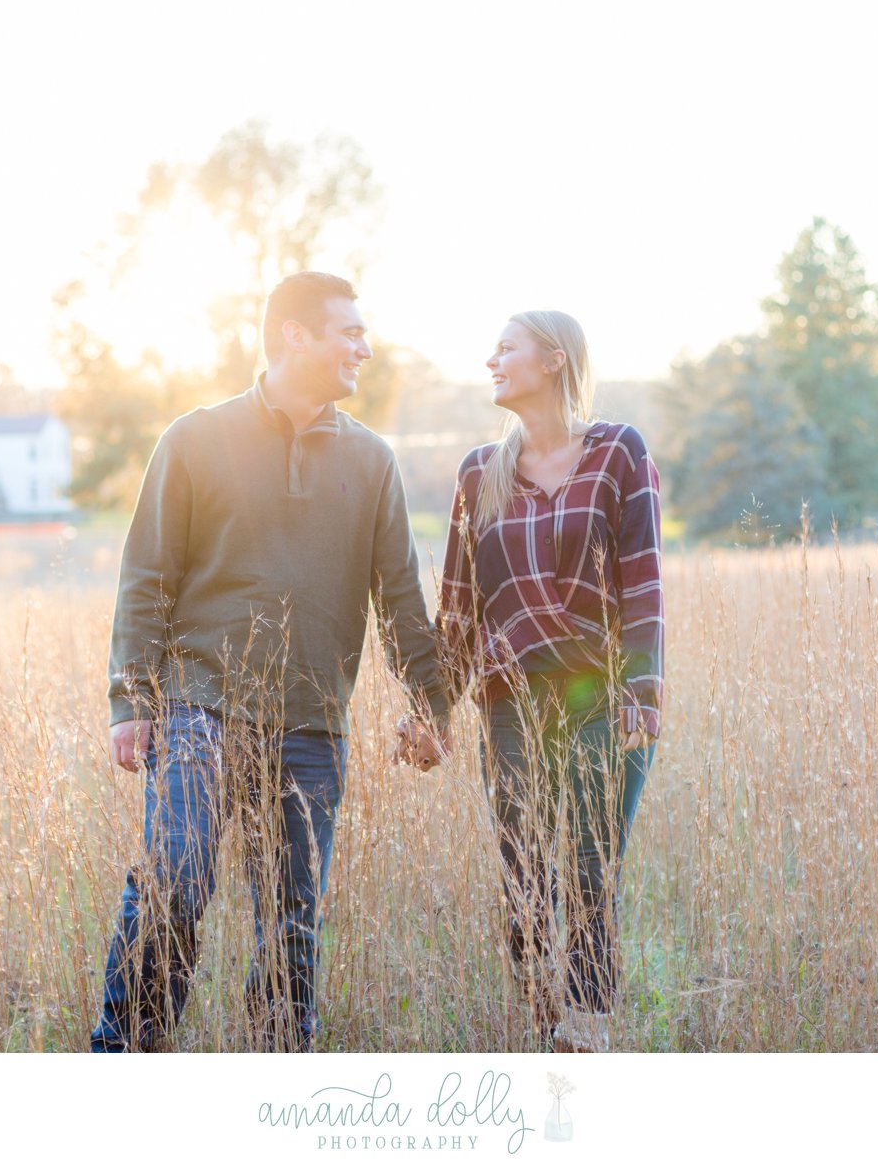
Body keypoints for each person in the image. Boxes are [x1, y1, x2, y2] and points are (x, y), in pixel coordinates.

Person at [91, 271, 450, 1053]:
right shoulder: (194, 437)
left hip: (311, 723)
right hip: (198, 703)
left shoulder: (372, 460)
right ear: (294, 334)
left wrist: (432, 708)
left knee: (292, 919)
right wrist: (130, 702)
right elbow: (147, 575)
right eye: (348, 331)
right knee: (176, 878)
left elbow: (400, 600)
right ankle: (123, 1056)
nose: (364, 344)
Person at [429, 309, 664, 1053]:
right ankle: (540, 1018)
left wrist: (644, 688)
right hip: (510, 702)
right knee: (524, 875)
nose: (490, 359)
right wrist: (431, 708)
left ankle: (586, 1031)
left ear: (554, 361)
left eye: (506, 348)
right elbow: (458, 607)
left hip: (601, 694)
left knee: (591, 869)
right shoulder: (478, 472)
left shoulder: (617, 452)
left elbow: (642, 581)